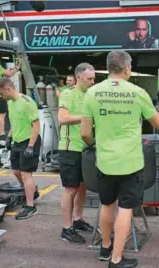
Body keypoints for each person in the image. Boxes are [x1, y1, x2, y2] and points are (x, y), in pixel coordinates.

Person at [81, 50, 159, 268]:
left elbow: (85, 134)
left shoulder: (92, 93)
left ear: (109, 67)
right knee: (126, 209)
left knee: (107, 204)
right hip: (130, 162)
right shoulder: (138, 93)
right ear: (127, 68)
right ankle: (116, 261)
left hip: (105, 162)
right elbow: (158, 124)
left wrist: (96, 143)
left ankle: (105, 247)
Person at [58, 63, 96, 244]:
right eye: (89, 79)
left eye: (93, 78)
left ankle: (78, 219)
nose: (92, 81)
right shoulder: (68, 93)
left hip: (85, 147)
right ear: (79, 77)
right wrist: (85, 117)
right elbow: (62, 118)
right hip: (69, 148)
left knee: (82, 187)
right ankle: (66, 228)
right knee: (70, 189)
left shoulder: (90, 94)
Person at [0, 77, 40, 220]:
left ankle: (30, 206)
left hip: (29, 141)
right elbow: (15, 123)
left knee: (26, 174)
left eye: (1, 93)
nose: (2, 97)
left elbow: (36, 125)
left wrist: (31, 146)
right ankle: (31, 191)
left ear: (8, 89)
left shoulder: (27, 102)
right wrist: (9, 137)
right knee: (16, 171)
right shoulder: (10, 103)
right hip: (17, 140)